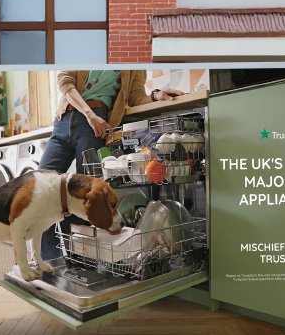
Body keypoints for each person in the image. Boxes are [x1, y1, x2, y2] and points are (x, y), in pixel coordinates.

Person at [37, 70, 183, 260]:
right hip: (64, 121)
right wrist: (89, 114)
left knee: (86, 198)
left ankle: (81, 262)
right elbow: (65, 81)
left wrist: (155, 95)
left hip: (95, 125)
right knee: (43, 189)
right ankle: (50, 261)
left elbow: (135, 97)